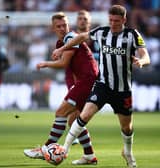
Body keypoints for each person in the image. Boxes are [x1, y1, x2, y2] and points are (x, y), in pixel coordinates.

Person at [52, 5, 150, 168]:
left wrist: (142, 61)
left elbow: (145, 55)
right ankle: (64, 149)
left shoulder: (132, 35)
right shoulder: (102, 32)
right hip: (102, 85)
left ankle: (127, 151)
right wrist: (62, 48)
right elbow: (80, 37)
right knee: (84, 115)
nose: (112, 24)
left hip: (123, 89)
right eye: (110, 20)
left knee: (127, 127)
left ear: (124, 20)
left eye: (116, 21)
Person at [24, 12, 98, 165]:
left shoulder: (71, 38)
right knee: (73, 121)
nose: (63, 28)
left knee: (60, 113)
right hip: (86, 82)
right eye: (58, 26)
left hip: (88, 81)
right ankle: (89, 155)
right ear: (53, 29)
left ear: (68, 25)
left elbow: (64, 63)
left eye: (64, 25)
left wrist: (45, 63)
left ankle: (45, 149)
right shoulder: (61, 43)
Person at [68, 10, 99, 145]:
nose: (82, 21)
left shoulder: (96, 39)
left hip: (92, 80)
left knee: (74, 116)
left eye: (85, 19)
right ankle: (86, 150)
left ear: (89, 22)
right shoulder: (72, 38)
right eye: (80, 18)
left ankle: (84, 148)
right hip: (74, 78)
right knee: (73, 116)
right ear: (76, 21)